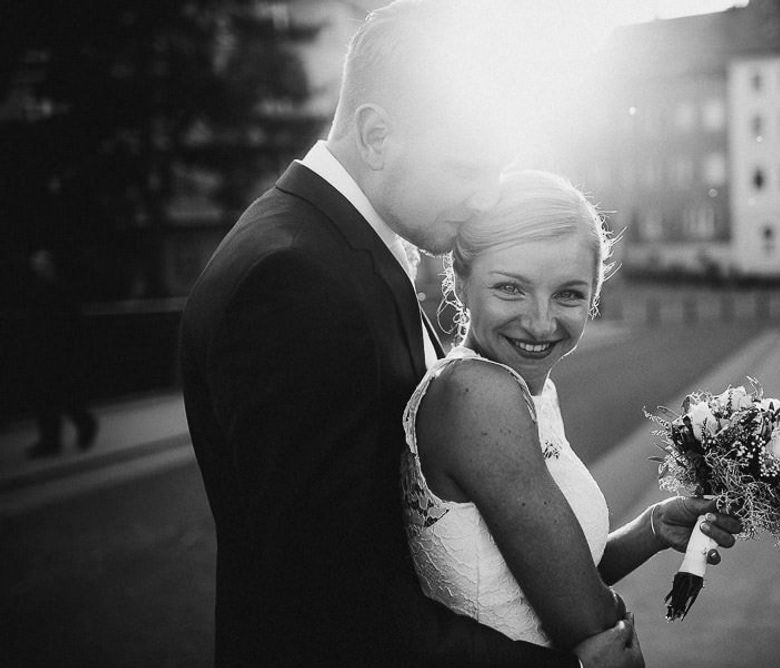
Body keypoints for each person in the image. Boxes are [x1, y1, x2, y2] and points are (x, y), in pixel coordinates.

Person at [180, 1, 637, 665]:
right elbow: (331, 600)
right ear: (374, 136)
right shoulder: (294, 281)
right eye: (466, 169)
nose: (486, 199)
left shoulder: (340, 248)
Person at [402, 170, 742, 651]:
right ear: (460, 280)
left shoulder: (531, 392)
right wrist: (617, 624)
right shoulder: (477, 394)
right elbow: (583, 617)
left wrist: (652, 528)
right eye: (510, 288)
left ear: (593, 297)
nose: (541, 322)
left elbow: (546, 582)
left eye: (568, 294)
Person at [23, 248, 98, 459]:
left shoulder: (56, 290)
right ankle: (53, 439)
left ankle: (70, 431)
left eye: (40, 261)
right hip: (50, 352)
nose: (36, 264)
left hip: (58, 352)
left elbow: (72, 323)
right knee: (52, 398)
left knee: (59, 397)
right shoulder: (44, 289)